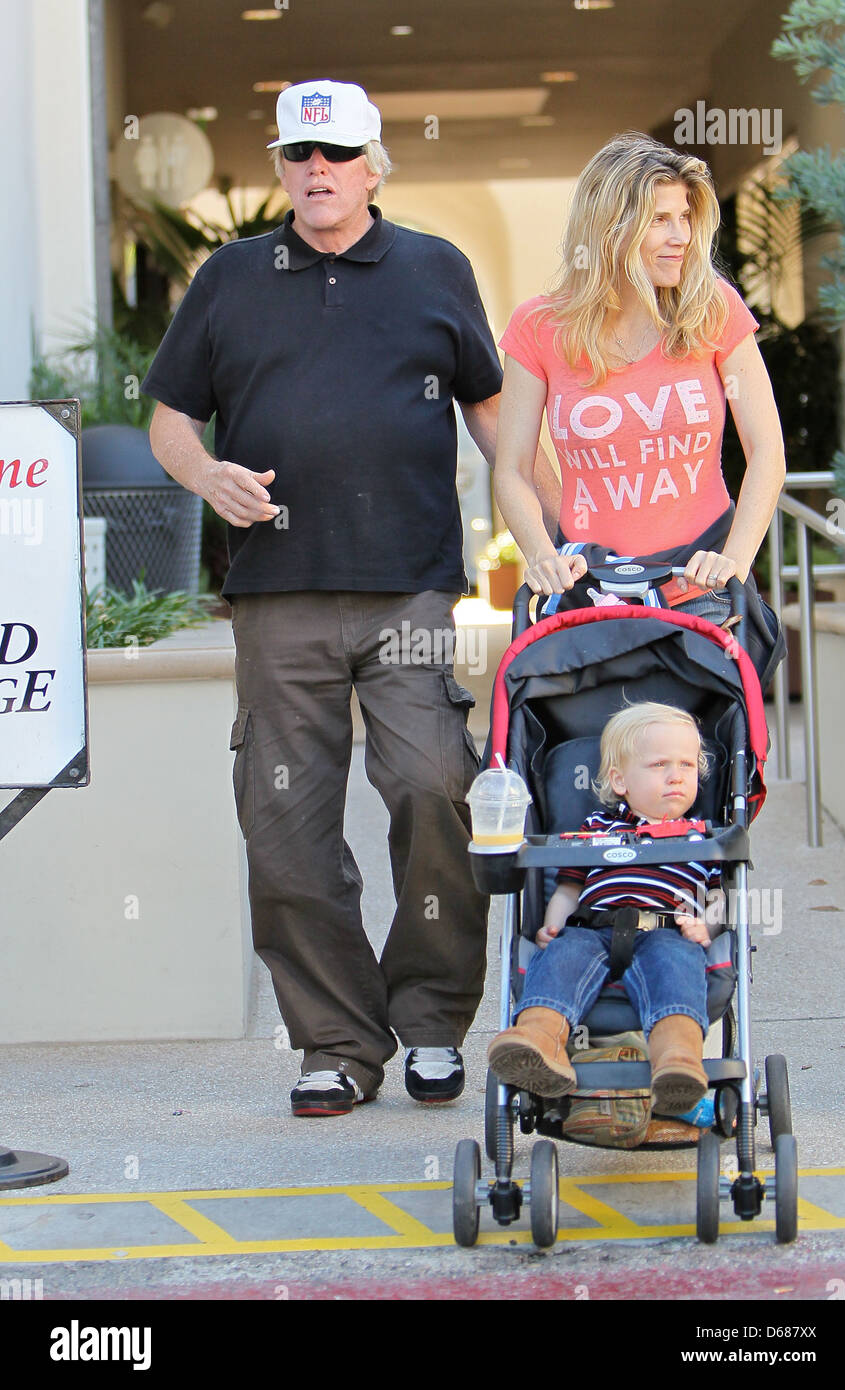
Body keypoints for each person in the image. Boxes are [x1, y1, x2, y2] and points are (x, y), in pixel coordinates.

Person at [143, 79, 559, 1117]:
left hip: (408, 588)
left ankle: (427, 1022)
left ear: (375, 165)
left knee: (431, 784)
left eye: (333, 154)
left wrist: (558, 539)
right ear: (282, 168)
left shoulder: (430, 267)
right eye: (296, 154)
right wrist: (204, 477)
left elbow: (492, 411)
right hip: (276, 594)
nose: (314, 171)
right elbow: (168, 419)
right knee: (284, 818)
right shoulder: (231, 277)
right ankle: (332, 1041)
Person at [493, 131, 786, 641]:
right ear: (610, 229)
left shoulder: (712, 308)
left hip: (701, 589)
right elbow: (513, 467)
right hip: (590, 587)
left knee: (714, 724)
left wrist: (734, 560)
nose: (682, 237)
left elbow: (768, 451)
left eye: (685, 218)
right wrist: (541, 555)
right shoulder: (539, 327)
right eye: (659, 220)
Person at [487, 703, 725, 1116]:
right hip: (592, 928)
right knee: (561, 958)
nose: (676, 775)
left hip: (667, 930)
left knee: (677, 967)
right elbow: (568, 886)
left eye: (687, 764)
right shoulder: (596, 829)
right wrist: (552, 924)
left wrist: (706, 925)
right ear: (620, 780)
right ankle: (540, 1042)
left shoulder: (700, 836)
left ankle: (678, 1060)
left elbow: (719, 894)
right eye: (659, 765)